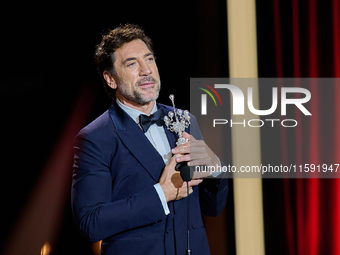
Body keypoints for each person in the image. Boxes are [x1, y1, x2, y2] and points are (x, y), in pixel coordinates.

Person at [71, 24, 228, 255]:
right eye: (132, 63)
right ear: (110, 79)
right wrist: (160, 194)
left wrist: (216, 169)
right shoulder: (94, 138)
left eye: (149, 59)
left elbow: (212, 209)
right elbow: (91, 222)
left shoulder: (185, 120)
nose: (146, 70)